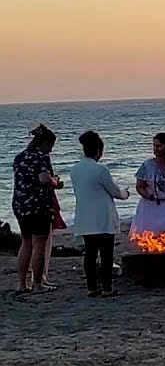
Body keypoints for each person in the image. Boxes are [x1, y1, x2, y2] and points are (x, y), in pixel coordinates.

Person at [70, 131, 129, 297]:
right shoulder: (100, 169)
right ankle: (107, 288)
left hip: (85, 217)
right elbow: (115, 191)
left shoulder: (75, 170)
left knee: (89, 255)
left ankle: (91, 287)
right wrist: (126, 193)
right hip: (102, 217)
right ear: (98, 150)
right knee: (106, 254)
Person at [12, 125, 62, 294]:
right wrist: (56, 182)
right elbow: (44, 179)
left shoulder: (20, 157)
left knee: (25, 242)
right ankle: (38, 284)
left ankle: (21, 283)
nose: (51, 150)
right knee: (39, 243)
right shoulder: (41, 157)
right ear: (45, 143)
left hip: (20, 204)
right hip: (38, 205)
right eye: (51, 146)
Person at [132, 132, 165, 238]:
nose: (155, 149)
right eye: (154, 146)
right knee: (150, 238)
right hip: (150, 207)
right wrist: (148, 196)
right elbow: (139, 186)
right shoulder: (147, 165)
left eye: (159, 146)